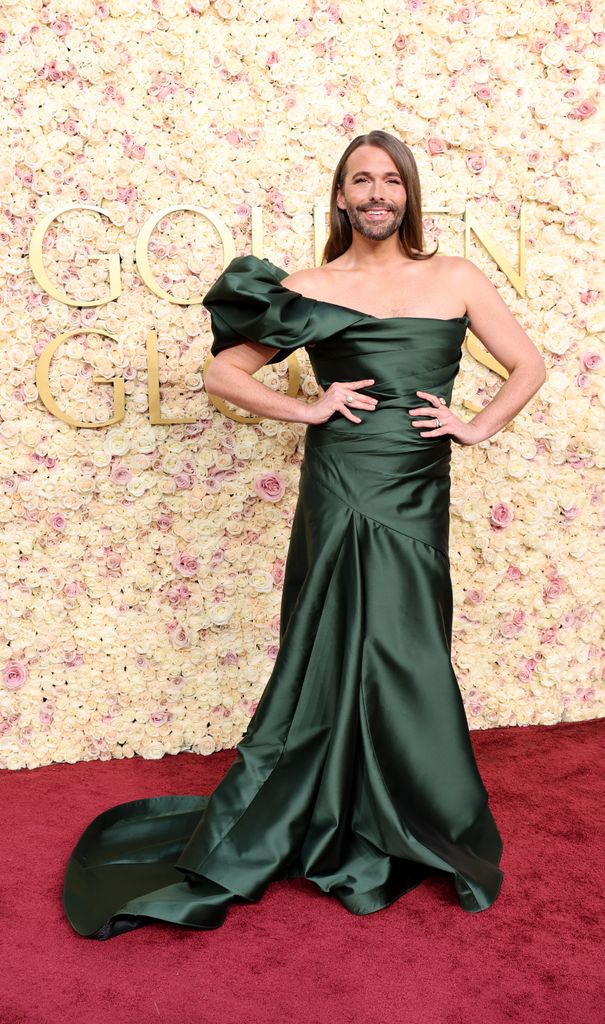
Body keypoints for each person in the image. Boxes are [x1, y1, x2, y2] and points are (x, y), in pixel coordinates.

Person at [62, 130, 546, 940]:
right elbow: (224, 372)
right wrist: (308, 408)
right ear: (341, 197)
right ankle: (325, 809)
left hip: (416, 485)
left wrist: (476, 426)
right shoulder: (312, 284)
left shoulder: (456, 276)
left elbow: (527, 365)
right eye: (362, 181)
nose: (377, 194)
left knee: (410, 644)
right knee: (330, 642)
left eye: (391, 181)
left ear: (410, 193)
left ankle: (416, 814)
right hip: (342, 479)